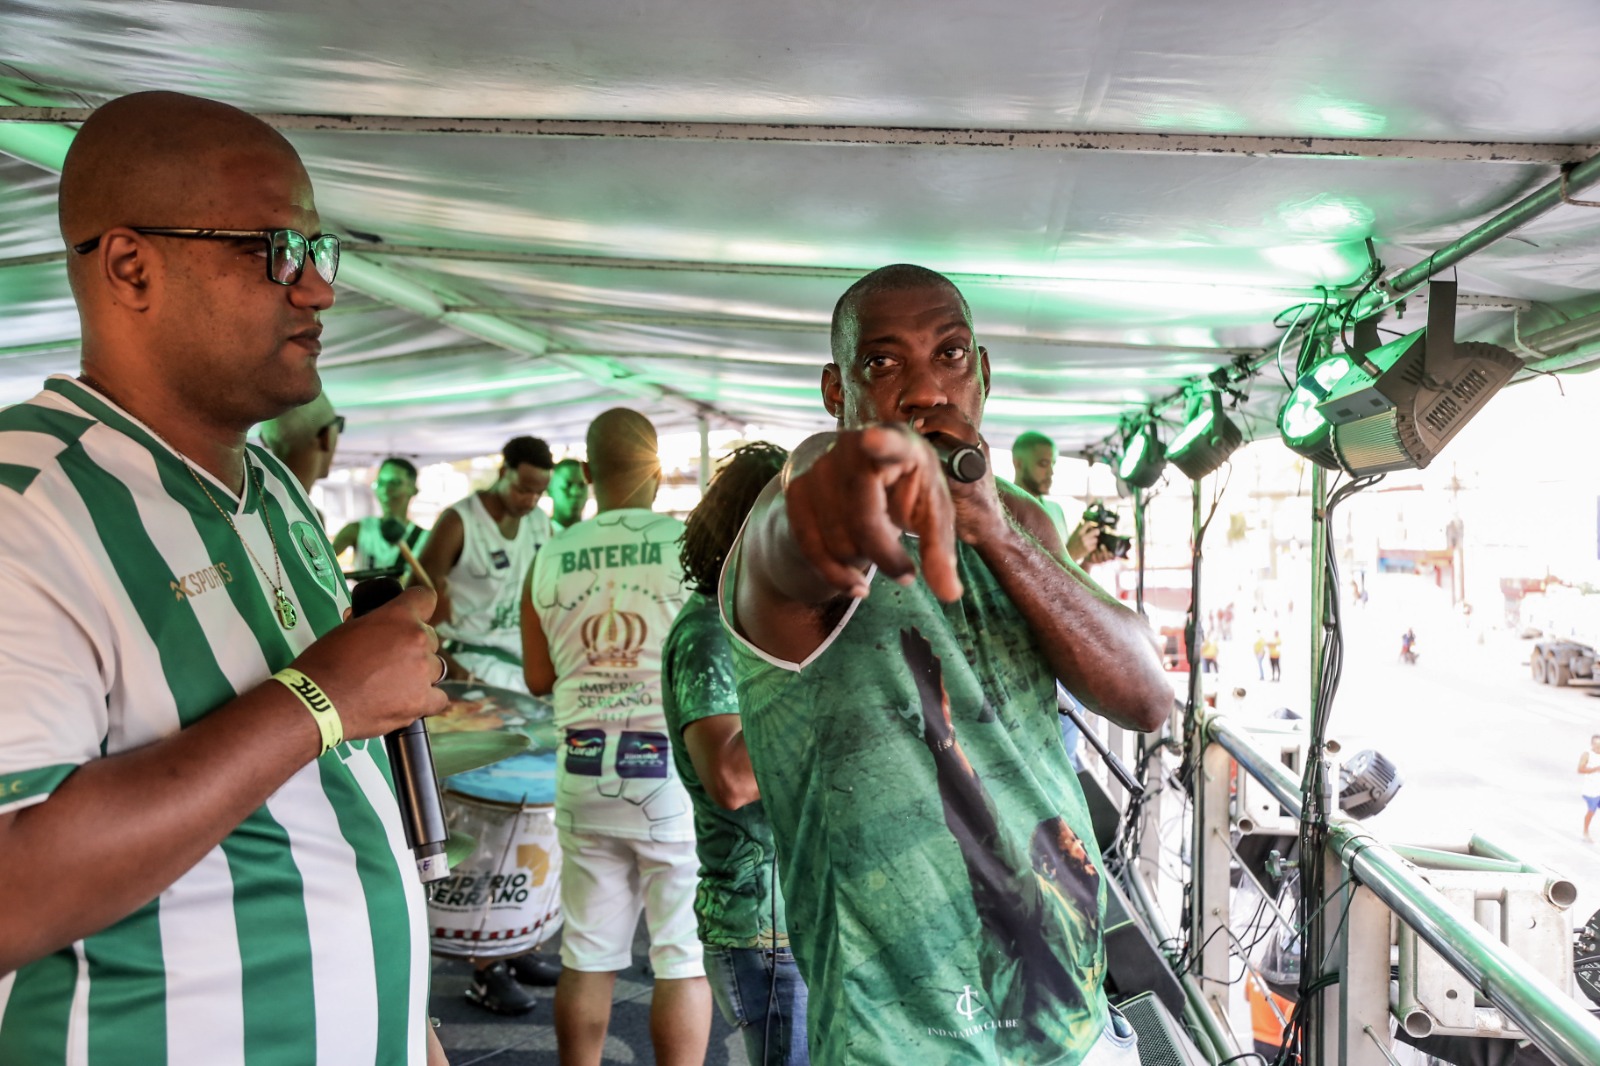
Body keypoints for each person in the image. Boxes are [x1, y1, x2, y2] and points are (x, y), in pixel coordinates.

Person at [0, 91, 449, 1064]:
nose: (318, 290)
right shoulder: (27, 504)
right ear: (131, 266)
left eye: (319, 254)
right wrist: (321, 698)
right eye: (273, 250)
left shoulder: (276, 493)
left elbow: (323, 815)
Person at [722, 264, 1171, 1064]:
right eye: (883, 364)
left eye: (951, 355)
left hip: (1073, 1022)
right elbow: (802, 520)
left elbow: (1145, 699)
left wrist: (994, 531)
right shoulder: (802, 508)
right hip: (898, 1042)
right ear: (837, 392)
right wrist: (846, 478)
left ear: (985, 374)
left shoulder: (1021, 519)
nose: (926, 390)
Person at [523, 408, 710, 1066]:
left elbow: (539, 675)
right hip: (669, 779)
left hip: (581, 770)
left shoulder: (549, 552)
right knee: (682, 958)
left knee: (587, 953)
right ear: (655, 469)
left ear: (585, 472)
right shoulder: (687, 545)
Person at [663, 442, 809, 1066]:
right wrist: (813, 681)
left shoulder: (755, 625)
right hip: (759, 925)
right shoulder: (707, 635)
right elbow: (730, 779)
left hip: (797, 913)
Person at [415, 436, 553, 695]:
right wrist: (451, 668)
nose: (531, 501)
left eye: (539, 493)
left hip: (522, 661)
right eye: (523, 490)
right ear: (503, 472)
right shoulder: (459, 522)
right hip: (470, 660)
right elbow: (413, 606)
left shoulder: (539, 522)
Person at [332, 456, 428, 574]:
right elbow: (322, 560)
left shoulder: (426, 539)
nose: (385, 490)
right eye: (381, 483)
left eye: (395, 483)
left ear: (413, 490)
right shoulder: (357, 529)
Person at [259, 388, 342, 494]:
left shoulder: (252, 505)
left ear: (263, 440)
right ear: (327, 437)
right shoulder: (304, 510)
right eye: (340, 426)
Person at [548, 457, 590, 532]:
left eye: (582, 485)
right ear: (549, 489)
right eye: (568, 485)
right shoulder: (536, 536)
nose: (576, 492)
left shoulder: (595, 535)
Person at [1580, 736, 1600, 843]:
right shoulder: (1587, 754)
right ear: (1592, 745)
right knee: (1591, 811)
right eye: (1597, 745)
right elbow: (1580, 769)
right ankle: (1585, 832)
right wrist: (1595, 769)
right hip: (1591, 790)